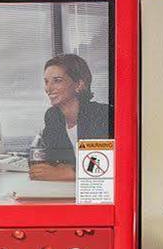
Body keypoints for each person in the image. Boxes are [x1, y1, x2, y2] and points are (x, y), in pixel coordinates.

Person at [28, 53, 113, 182]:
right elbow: (51, 159)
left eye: (57, 80)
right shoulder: (53, 116)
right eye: (46, 82)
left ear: (79, 84)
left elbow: (104, 165)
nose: (48, 88)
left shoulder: (101, 114)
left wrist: (69, 172)